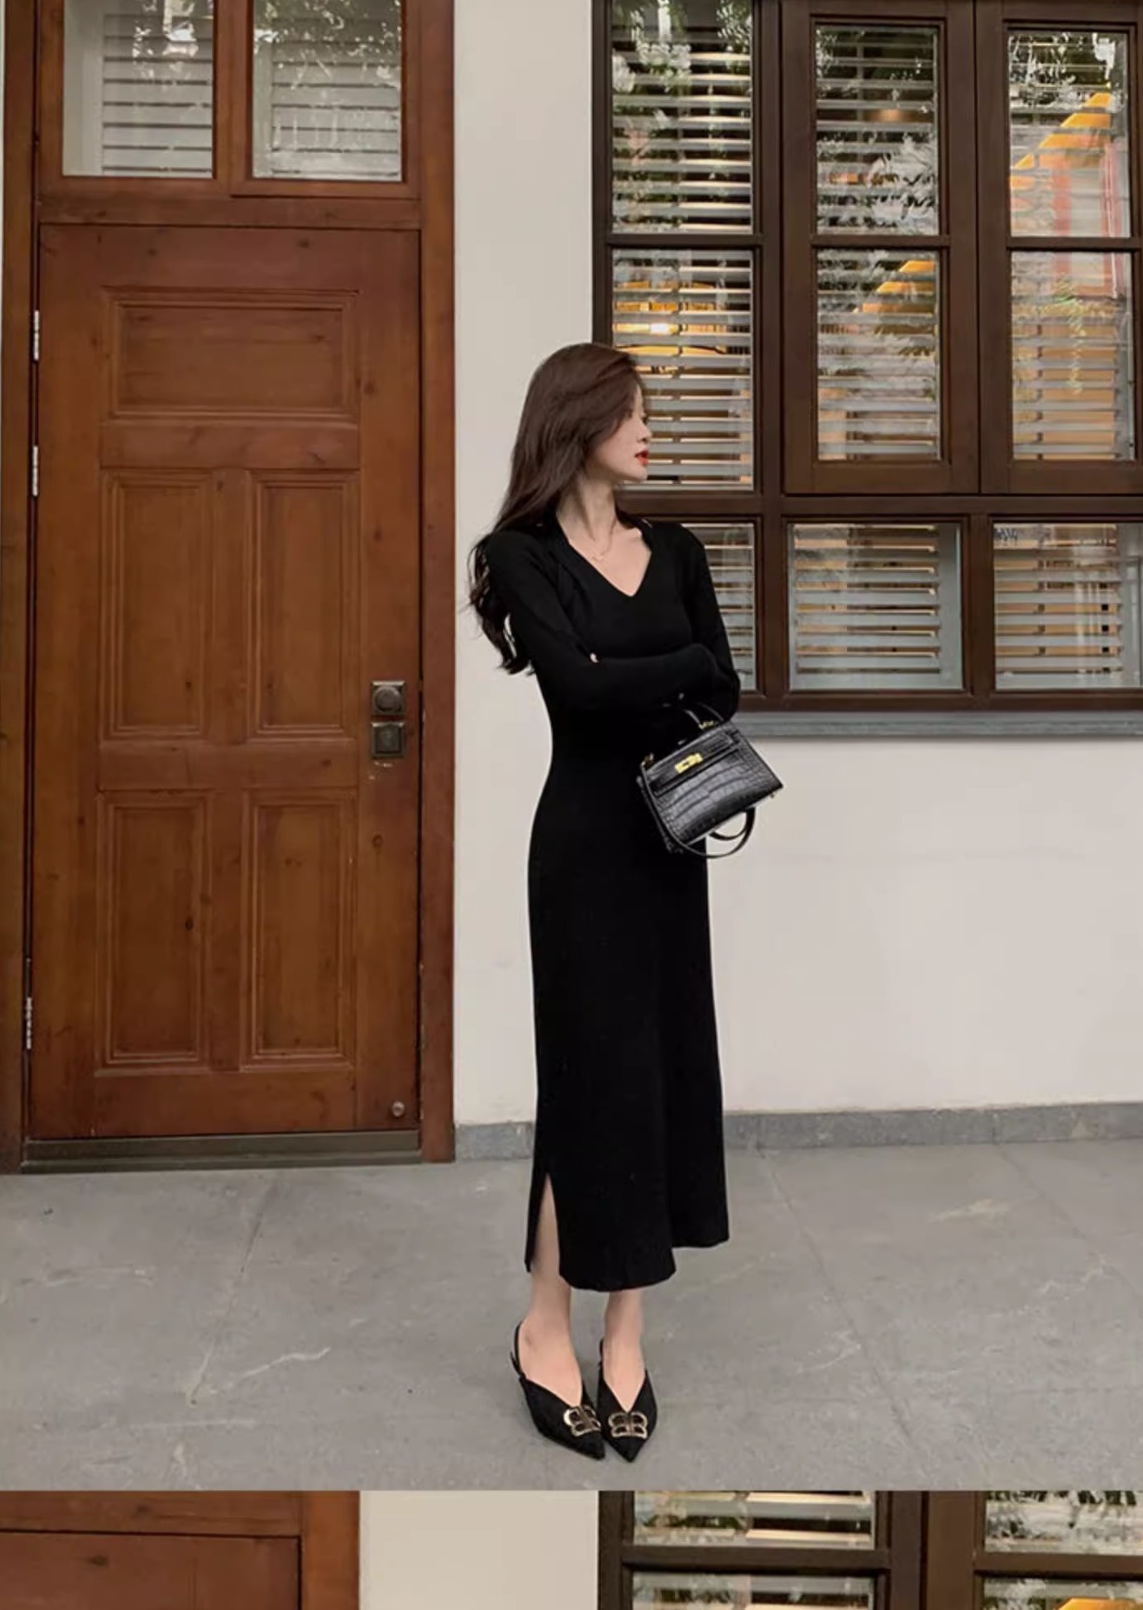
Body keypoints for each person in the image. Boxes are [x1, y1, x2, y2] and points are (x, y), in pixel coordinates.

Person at [468, 341, 741, 1461]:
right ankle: (545, 1324)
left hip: (667, 840)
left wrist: (639, 670)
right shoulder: (518, 555)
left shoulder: (675, 550)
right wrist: (673, 666)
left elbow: (725, 683)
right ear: (576, 422)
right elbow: (578, 697)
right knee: (587, 1080)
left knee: (662, 1071)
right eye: (630, 412)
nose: (647, 430)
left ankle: (625, 1333)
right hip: (581, 848)